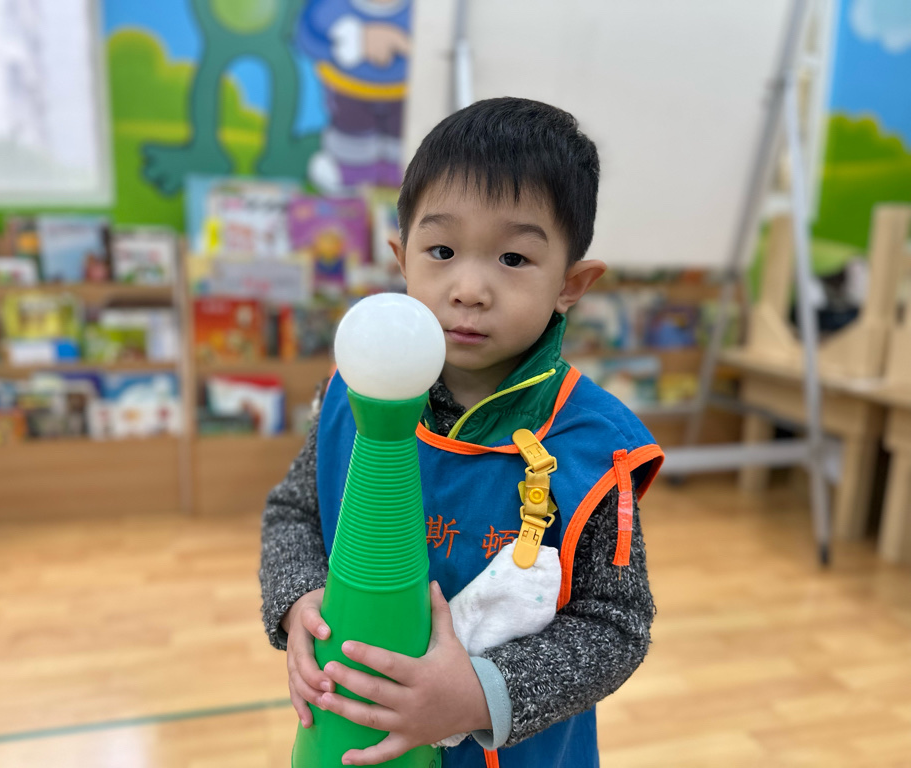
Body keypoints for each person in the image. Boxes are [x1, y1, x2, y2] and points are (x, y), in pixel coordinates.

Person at [260, 96, 664, 767]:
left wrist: (480, 694)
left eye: (514, 258)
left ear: (571, 284)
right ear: (403, 258)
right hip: (355, 741)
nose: (469, 288)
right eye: (442, 251)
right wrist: (296, 599)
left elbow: (616, 625)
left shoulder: (593, 446)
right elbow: (294, 512)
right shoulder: (351, 394)